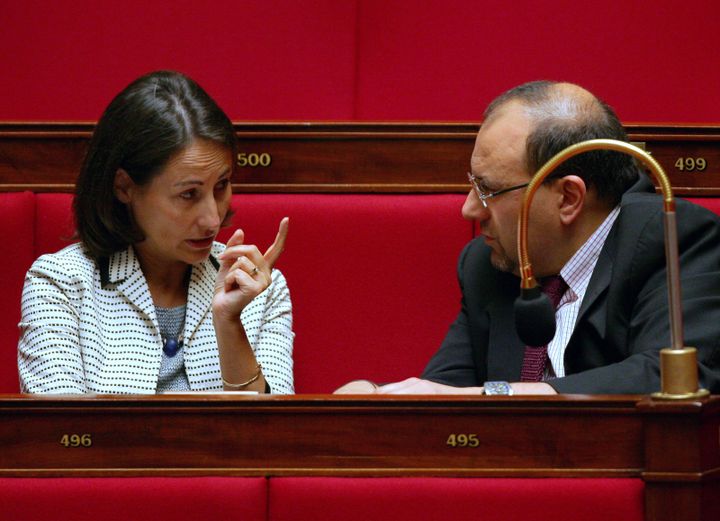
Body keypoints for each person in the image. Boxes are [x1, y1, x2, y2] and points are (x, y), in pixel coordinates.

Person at [336, 80, 720, 396]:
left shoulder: (675, 239)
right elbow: (445, 392)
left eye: (489, 190)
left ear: (568, 198)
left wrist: (501, 396)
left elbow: (671, 377)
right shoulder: (487, 263)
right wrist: (375, 396)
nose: (469, 210)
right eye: (473, 185)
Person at [18, 71, 294, 394]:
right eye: (188, 194)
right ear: (125, 188)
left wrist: (230, 324)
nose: (211, 219)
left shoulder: (262, 289)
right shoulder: (60, 284)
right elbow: (58, 438)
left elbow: (271, 438)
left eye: (221, 186)